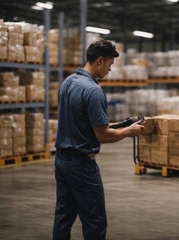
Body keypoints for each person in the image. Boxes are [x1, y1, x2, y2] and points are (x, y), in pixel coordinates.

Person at [53, 40, 145, 240]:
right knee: (94, 221)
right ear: (100, 60)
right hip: (82, 166)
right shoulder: (94, 91)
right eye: (110, 64)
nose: (110, 69)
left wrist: (120, 125)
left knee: (63, 216)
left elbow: (82, 124)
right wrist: (130, 132)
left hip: (62, 161)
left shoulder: (67, 83)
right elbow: (102, 135)